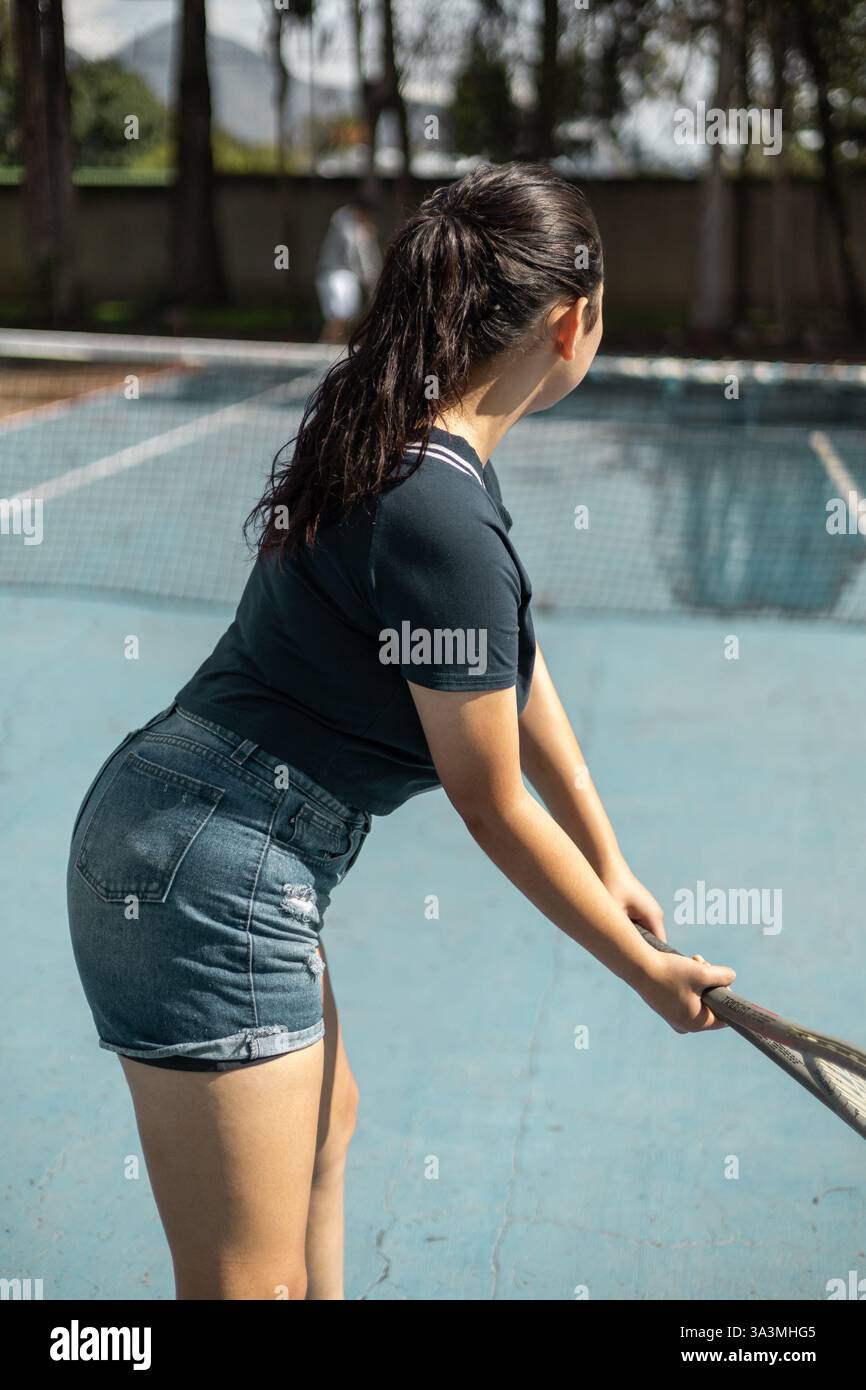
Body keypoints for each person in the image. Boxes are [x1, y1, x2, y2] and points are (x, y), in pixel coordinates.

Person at [66, 161, 735, 1302]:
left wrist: (611, 858)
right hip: (212, 866)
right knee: (245, 1284)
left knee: (330, 1125)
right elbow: (490, 801)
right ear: (570, 324)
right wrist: (642, 974)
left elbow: (510, 663)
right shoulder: (443, 510)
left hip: (193, 828)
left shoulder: (411, 447)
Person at [315, 197, 382, 343]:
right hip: (336, 273)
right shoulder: (343, 220)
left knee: (344, 317)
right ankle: (328, 345)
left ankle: (329, 345)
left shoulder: (356, 226)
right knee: (340, 315)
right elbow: (354, 251)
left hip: (347, 275)